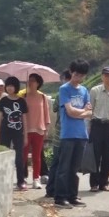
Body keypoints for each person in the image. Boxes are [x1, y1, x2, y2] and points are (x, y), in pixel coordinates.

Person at [54, 59, 93, 209]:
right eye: (76, 74)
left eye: (81, 75)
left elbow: (90, 112)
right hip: (68, 134)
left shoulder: (84, 91)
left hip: (81, 134)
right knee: (64, 167)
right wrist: (83, 112)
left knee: (74, 168)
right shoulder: (64, 89)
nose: (78, 78)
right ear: (71, 72)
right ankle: (60, 197)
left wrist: (81, 112)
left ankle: (72, 195)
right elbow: (69, 111)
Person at [88, 66, 109, 192]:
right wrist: (88, 127)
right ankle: (94, 183)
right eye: (106, 75)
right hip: (97, 125)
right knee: (95, 155)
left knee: (108, 156)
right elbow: (89, 110)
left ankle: (104, 183)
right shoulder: (94, 90)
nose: (108, 78)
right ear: (102, 76)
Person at [0, 76, 29, 190]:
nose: (9, 88)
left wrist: (26, 136)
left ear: (16, 87)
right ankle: (2, 179)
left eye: (12, 86)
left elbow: (24, 119)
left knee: (19, 157)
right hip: (5, 131)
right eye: (8, 86)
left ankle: (21, 181)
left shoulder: (21, 101)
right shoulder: (3, 100)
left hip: (18, 132)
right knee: (4, 155)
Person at [45, 69, 72, 199]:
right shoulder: (68, 91)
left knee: (56, 162)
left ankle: (51, 189)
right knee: (62, 163)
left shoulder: (62, 91)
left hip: (60, 132)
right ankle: (57, 190)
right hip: (64, 133)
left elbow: (55, 108)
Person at [23, 73, 51, 189]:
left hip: (39, 129)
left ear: (38, 83)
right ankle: (22, 178)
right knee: (23, 155)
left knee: (37, 156)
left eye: (33, 80)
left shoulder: (43, 97)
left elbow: (46, 114)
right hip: (26, 130)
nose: (30, 82)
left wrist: (46, 129)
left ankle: (36, 179)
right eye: (29, 80)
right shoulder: (23, 97)